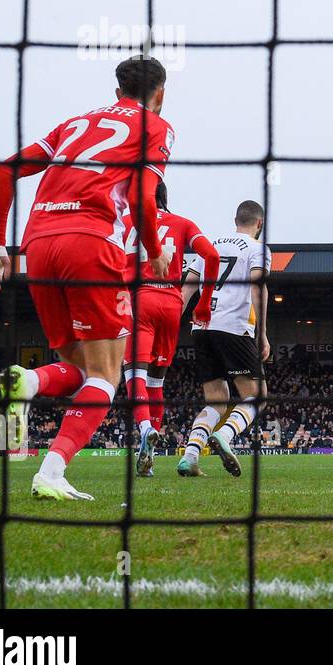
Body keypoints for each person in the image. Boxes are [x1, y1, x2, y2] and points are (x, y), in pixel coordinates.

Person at [0, 55, 175, 500]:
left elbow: (6, 169)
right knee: (108, 373)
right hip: (91, 242)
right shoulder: (157, 127)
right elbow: (144, 197)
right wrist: (156, 254)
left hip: (37, 246)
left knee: (83, 369)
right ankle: (51, 471)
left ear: (116, 90)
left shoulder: (75, 123)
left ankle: (30, 381)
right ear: (159, 93)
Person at [121, 181, 218, 476]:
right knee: (156, 382)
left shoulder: (124, 222)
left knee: (133, 373)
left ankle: (146, 428)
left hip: (138, 298)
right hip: (171, 303)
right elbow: (212, 256)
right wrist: (202, 305)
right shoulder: (183, 223)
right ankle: (149, 458)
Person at [177, 200, 271, 477]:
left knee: (216, 399)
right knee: (256, 396)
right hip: (234, 326)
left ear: (235, 220)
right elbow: (256, 286)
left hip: (201, 326)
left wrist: (172, 327)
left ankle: (190, 457)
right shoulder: (257, 249)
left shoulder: (211, 243)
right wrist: (262, 333)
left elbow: (187, 288)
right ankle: (226, 436)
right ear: (259, 224)